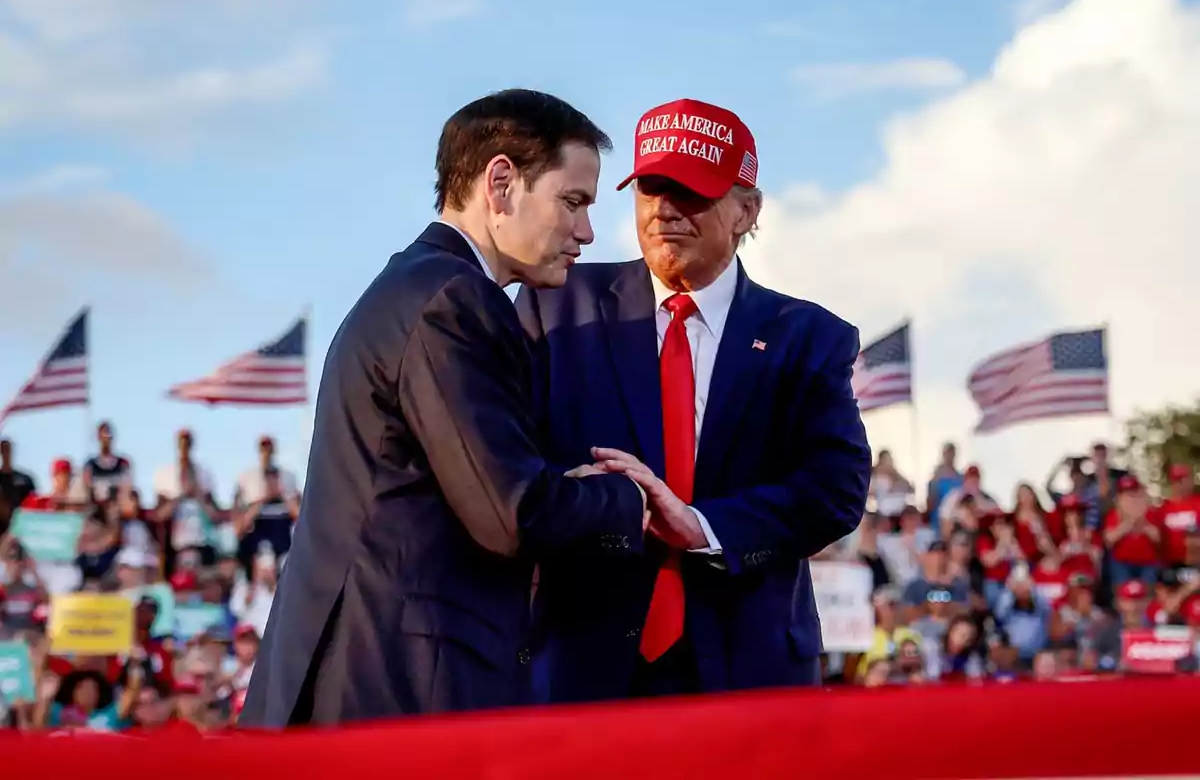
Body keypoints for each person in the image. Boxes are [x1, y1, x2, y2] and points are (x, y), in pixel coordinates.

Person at [239, 89, 648, 728]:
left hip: (363, 678)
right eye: (573, 201)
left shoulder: (418, 286)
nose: (587, 232)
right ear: (502, 183)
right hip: (394, 693)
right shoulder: (452, 300)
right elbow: (508, 515)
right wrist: (628, 500)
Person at [514, 98, 871, 702]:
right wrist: (591, 498)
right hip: (583, 671)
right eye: (651, 188)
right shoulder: (555, 307)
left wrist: (701, 527)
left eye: (691, 190)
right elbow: (507, 465)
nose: (665, 210)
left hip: (751, 674)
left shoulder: (809, 338)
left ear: (746, 210)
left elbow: (834, 492)